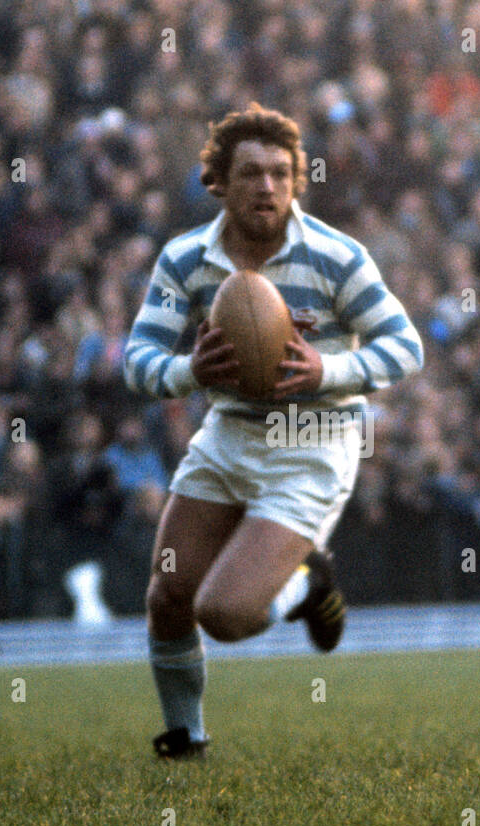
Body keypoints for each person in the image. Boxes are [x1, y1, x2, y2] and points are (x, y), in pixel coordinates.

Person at [123, 103, 424, 759]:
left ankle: (311, 580)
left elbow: (405, 347)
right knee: (169, 591)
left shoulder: (336, 257)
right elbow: (137, 361)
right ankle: (186, 739)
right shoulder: (183, 261)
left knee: (226, 615)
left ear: (297, 181)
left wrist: (326, 369)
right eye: (251, 173)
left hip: (313, 441)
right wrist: (186, 370)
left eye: (281, 174)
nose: (267, 187)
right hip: (230, 431)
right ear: (218, 183)